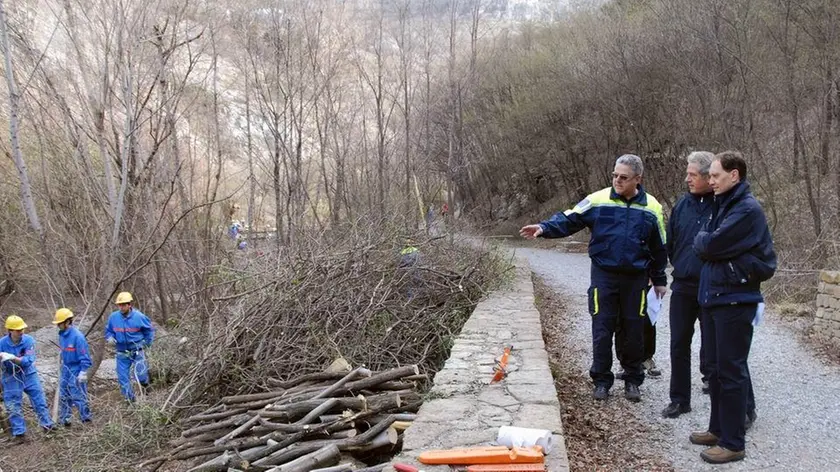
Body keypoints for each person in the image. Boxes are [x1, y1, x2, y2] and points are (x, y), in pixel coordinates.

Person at [520, 154, 667, 402]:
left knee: (633, 331)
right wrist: (544, 228)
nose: (617, 181)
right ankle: (601, 381)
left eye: (623, 177)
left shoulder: (651, 206)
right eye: (614, 176)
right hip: (604, 277)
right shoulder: (598, 200)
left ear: (637, 179)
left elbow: (659, 245)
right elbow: (570, 219)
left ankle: (633, 379)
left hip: (636, 279)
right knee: (602, 329)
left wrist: (660, 278)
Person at [689, 151, 776, 464]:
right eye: (709, 176)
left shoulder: (745, 209)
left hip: (735, 300)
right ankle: (717, 429)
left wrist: (707, 243)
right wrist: (708, 243)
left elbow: (708, 245)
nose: (710, 181)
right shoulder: (723, 205)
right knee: (713, 369)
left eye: (715, 175)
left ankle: (733, 442)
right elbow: (708, 244)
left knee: (731, 372)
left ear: (734, 175)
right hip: (715, 297)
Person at [0, 315, 55, 442]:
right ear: (10, 330)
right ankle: (20, 434)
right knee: (13, 404)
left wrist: (13, 358)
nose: (21, 332)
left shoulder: (28, 341)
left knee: (39, 400)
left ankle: (48, 426)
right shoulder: (2, 343)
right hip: (10, 376)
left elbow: (28, 360)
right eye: (18, 330)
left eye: (22, 329)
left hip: (28, 374)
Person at [104, 292, 154, 402]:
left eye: (123, 305)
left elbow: (149, 331)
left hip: (137, 350)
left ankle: (146, 387)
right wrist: (110, 337)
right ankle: (130, 400)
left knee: (141, 374)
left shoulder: (139, 317)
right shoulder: (113, 317)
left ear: (129, 304)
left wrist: (147, 344)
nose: (121, 307)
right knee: (123, 377)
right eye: (119, 305)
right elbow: (108, 331)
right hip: (122, 352)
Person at [54, 308, 92, 426]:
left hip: (76, 368)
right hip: (66, 367)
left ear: (67, 322)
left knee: (78, 394)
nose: (58, 326)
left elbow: (84, 355)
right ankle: (65, 420)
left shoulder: (78, 337)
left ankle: (86, 419)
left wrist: (83, 371)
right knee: (64, 394)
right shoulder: (62, 335)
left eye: (59, 323)